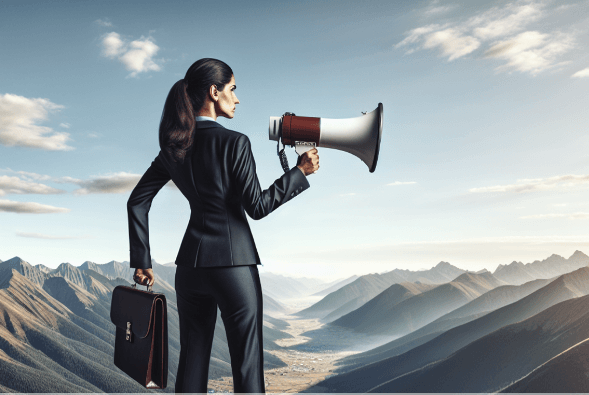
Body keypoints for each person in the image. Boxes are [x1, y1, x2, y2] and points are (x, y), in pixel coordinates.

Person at [126, 58, 319, 394]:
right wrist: (299, 173)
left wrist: (142, 260)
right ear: (214, 92)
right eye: (233, 89)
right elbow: (256, 207)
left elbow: (137, 201)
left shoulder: (173, 148)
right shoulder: (235, 143)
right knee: (246, 365)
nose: (237, 98)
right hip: (234, 265)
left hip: (190, 266)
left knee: (192, 362)